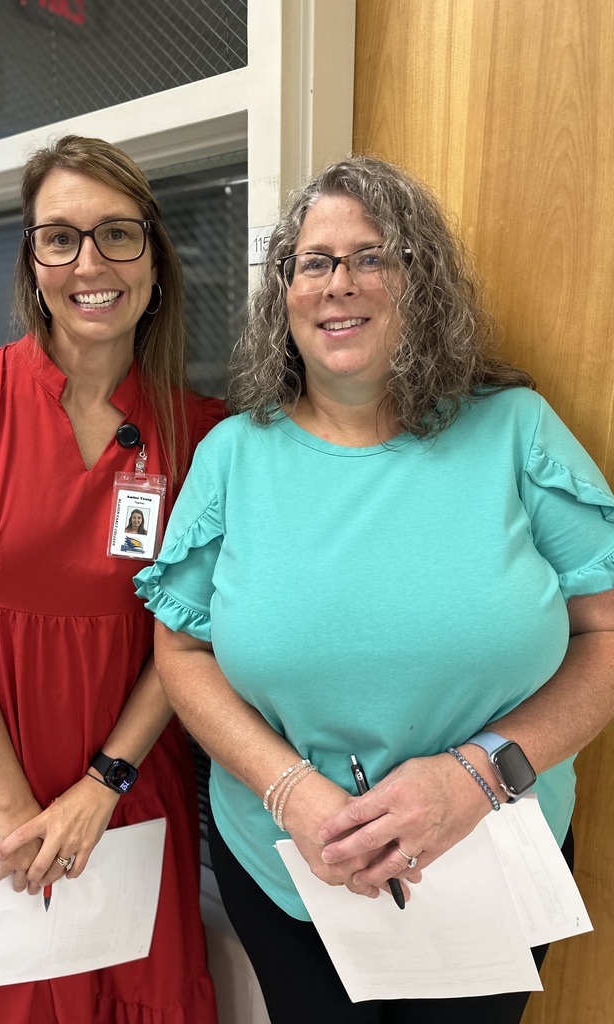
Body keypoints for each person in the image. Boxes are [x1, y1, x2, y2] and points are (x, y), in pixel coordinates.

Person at [134, 154, 614, 1024]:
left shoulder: (515, 431)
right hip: (286, 862)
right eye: (311, 261)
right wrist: (292, 792)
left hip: (494, 853)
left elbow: (606, 637)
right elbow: (182, 647)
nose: (337, 283)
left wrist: (478, 775)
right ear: (284, 292)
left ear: (418, 281)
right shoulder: (233, 456)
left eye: (372, 256)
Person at [0, 134, 222, 1024]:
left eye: (118, 233)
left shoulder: (201, 437)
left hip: (126, 769)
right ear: (32, 260)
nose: (90, 263)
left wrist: (99, 786)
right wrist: (12, 807)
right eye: (60, 238)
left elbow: (186, 632)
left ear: (154, 255)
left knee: (129, 998)